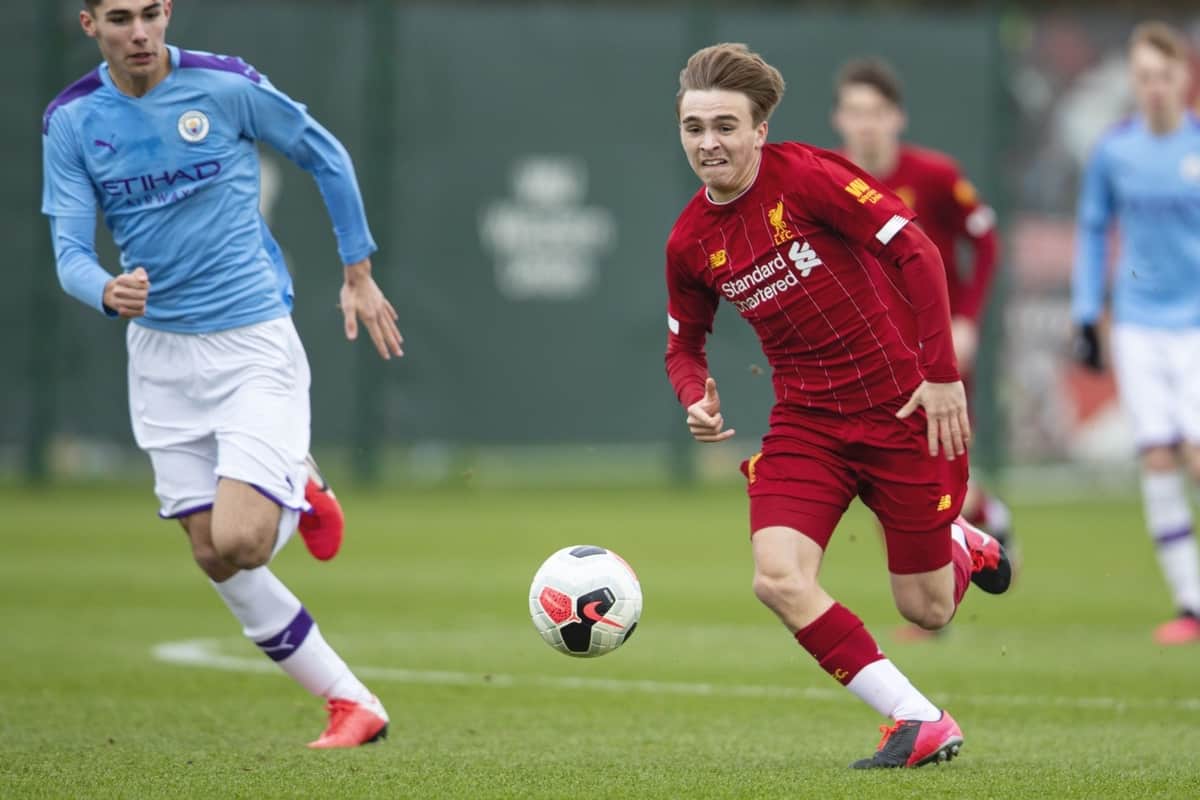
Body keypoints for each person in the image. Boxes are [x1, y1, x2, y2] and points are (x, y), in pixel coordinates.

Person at [41, 0, 404, 746]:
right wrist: (104, 291)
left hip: (251, 345)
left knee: (240, 540)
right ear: (89, 26)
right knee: (213, 556)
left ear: (167, 13)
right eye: (119, 18)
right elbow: (70, 251)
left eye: (150, 13)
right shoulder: (72, 121)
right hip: (159, 357)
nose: (138, 32)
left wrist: (357, 269)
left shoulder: (225, 87)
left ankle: (298, 490)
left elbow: (323, 153)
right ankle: (351, 702)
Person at [664, 43, 1012, 768]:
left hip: (899, 406)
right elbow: (683, 345)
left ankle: (958, 545)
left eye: (725, 126)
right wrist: (694, 395)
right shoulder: (690, 241)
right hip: (805, 424)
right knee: (778, 578)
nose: (708, 143)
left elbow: (915, 249)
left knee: (928, 609)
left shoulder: (808, 178)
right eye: (694, 127)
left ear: (761, 130)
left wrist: (942, 374)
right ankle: (918, 719)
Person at [831, 57, 1013, 556]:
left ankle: (977, 527)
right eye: (854, 111)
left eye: (876, 111)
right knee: (885, 478)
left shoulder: (934, 176)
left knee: (941, 469)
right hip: (869, 353)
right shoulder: (825, 180)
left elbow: (987, 240)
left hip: (936, 349)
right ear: (838, 119)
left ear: (897, 117)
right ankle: (949, 564)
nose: (865, 123)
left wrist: (966, 320)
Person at [1072, 21, 1200, 646]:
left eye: (1164, 75)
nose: (1154, 87)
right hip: (1139, 325)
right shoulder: (1114, 152)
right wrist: (1085, 308)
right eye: (1143, 77)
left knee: (1197, 455)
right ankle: (1190, 603)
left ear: (1185, 78)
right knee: (1157, 453)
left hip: (1197, 322)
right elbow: (1094, 230)